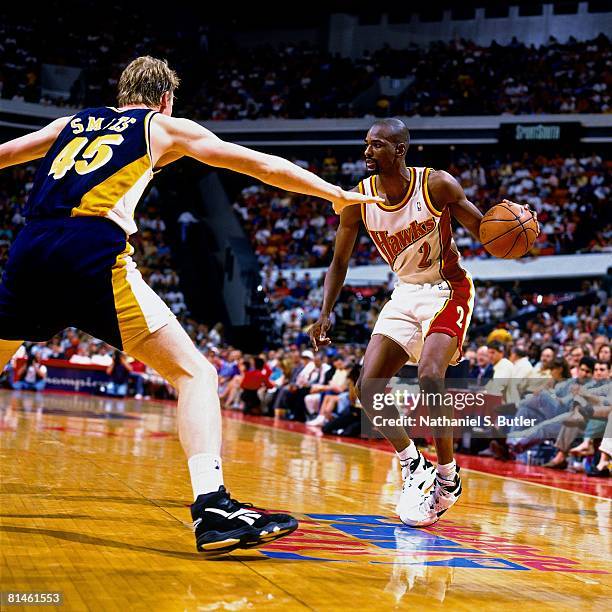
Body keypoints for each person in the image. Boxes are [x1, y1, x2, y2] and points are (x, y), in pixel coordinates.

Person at [0, 56, 382, 556]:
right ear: (165, 99)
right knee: (194, 374)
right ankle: (213, 506)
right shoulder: (161, 126)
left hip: (29, 246)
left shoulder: (69, 123)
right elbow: (259, 163)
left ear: (121, 94)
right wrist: (334, 193)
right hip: (89, 246)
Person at [309, 117, 538, 527]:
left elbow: (485, 231)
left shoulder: (436, 185)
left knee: (431, 375)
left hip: (448, 288)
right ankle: (413, 463)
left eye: (377, 145)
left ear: (399, 150)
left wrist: (515, 227)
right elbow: (339, 261)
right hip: (405, 291)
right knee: (367, 387)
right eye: (366, 144)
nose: (367, 152)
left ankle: (448, 478)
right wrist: (325, 312)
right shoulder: (357, 199)